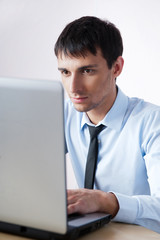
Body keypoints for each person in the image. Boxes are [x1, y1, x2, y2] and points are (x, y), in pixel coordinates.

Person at [54, 16, 160, 233]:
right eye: (65, 72)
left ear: (116, 68)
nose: (73, 87)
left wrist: (106, 202)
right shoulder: (65, 113)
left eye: (87, 71)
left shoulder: (152, 122)